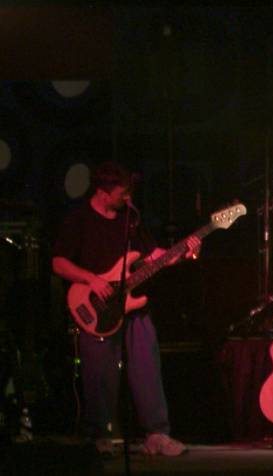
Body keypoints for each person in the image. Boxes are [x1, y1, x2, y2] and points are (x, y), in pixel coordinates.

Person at [52, 161, 200, 456]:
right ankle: (99, 435)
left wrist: (184, 252)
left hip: (133, 305)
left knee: (147, 366)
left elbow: (154, 255)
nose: (127, 197)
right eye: (122, 193)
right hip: (94, 306)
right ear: (103, 192)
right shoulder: (78, 219)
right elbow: (58, 263)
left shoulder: (130, 219)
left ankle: (156, 434)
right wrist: (92, 280)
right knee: (99, 374)